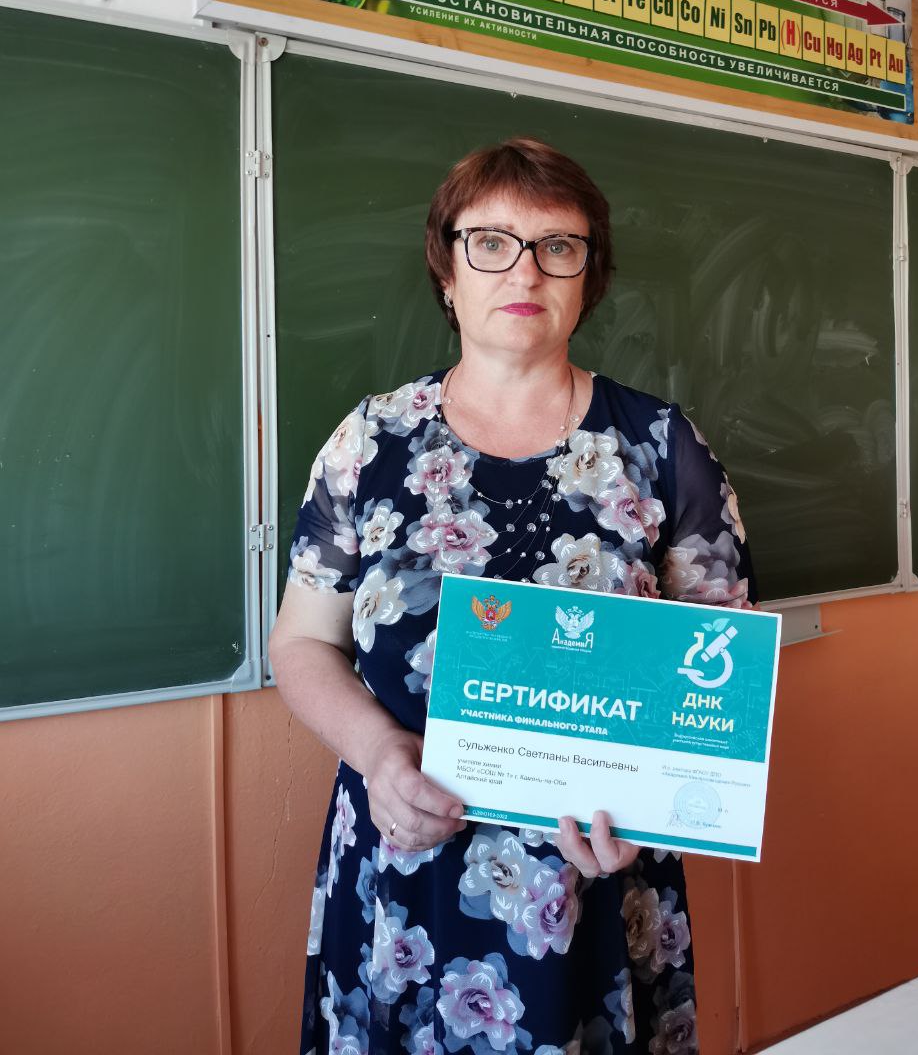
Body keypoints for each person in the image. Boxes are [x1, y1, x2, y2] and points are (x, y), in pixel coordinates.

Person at [269, 136, 757, 1055]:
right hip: (405, 874)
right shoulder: (369, 443)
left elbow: (715, 677)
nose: (524, 270)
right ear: (446, 269)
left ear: (589, 276)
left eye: (557, 245)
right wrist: (378, 754)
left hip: (596, 879)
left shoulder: (662, 447)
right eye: (490, 242)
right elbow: (299, 644)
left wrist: (651, 804)